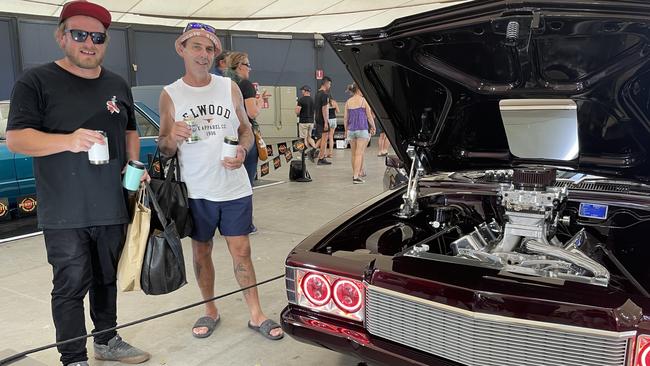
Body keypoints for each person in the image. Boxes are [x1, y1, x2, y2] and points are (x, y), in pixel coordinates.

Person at [5, 2, 150, 365]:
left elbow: (130, 129)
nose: (89, 43)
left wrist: (134, 164)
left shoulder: (117, 83)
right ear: (61, 36)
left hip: (111, 204)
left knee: (106, 279)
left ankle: (107, 340)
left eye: (97, 37)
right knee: (70, 286)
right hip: (64, 210)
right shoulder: (35, 81)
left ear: (106, 41)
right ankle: (73, 357)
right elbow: (18, 139)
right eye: (79, 34)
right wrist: (68, 141)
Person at [157, 22, 283, 341]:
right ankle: (210, 309)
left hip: (233, 186)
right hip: (196, 191)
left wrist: (243, 148)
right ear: (181, 49)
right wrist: (172, 135)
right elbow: (163, 147)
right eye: (196, 47)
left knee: (241, 251)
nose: (203, 54)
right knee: (202, 252)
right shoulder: (170, 94)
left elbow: (245, 129)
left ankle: (256, 314)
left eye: (210, 49)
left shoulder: (229, 87)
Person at [224, 51, 268, 186]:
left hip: (227, 138)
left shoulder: (224, 84)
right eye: (248, 64)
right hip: (245, 137)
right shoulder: (246, 85)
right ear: (239, 66)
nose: (249, 68)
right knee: (246, 183)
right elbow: (252, 113)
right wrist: (260, 102)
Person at [344, 83, 376, 183]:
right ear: (359, 90)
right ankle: (356, 177)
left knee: (353, 154)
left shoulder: (348, 102)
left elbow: (346, 118)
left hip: (351, 130)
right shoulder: (363, 101)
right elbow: (369, 117)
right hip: (362, 129)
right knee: (359, 153)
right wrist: (373, 127)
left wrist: (346, 131)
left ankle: (355, 173)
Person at [295, 85, 318, 160]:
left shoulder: (301, 100)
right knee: (309, 137)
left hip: (303, 122)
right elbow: (314, 111)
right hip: (311, 122)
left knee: (303, 138)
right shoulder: (312, 100)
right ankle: (314, 149)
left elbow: (297, 111)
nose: (301, 91)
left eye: (302, 90)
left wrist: (296, 110)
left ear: (305, 91)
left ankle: (303, 155)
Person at [314, 76, 332, 165]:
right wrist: (325, 121)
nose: (330, 86)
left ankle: (321, 156)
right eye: (330, 84)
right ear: (326, 83)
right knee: (324, 139)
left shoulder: (317, 94)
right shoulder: (325, 95)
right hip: (322, 119)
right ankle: (321, 158)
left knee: (322, 138)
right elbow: (324, 109)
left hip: (317, 118)